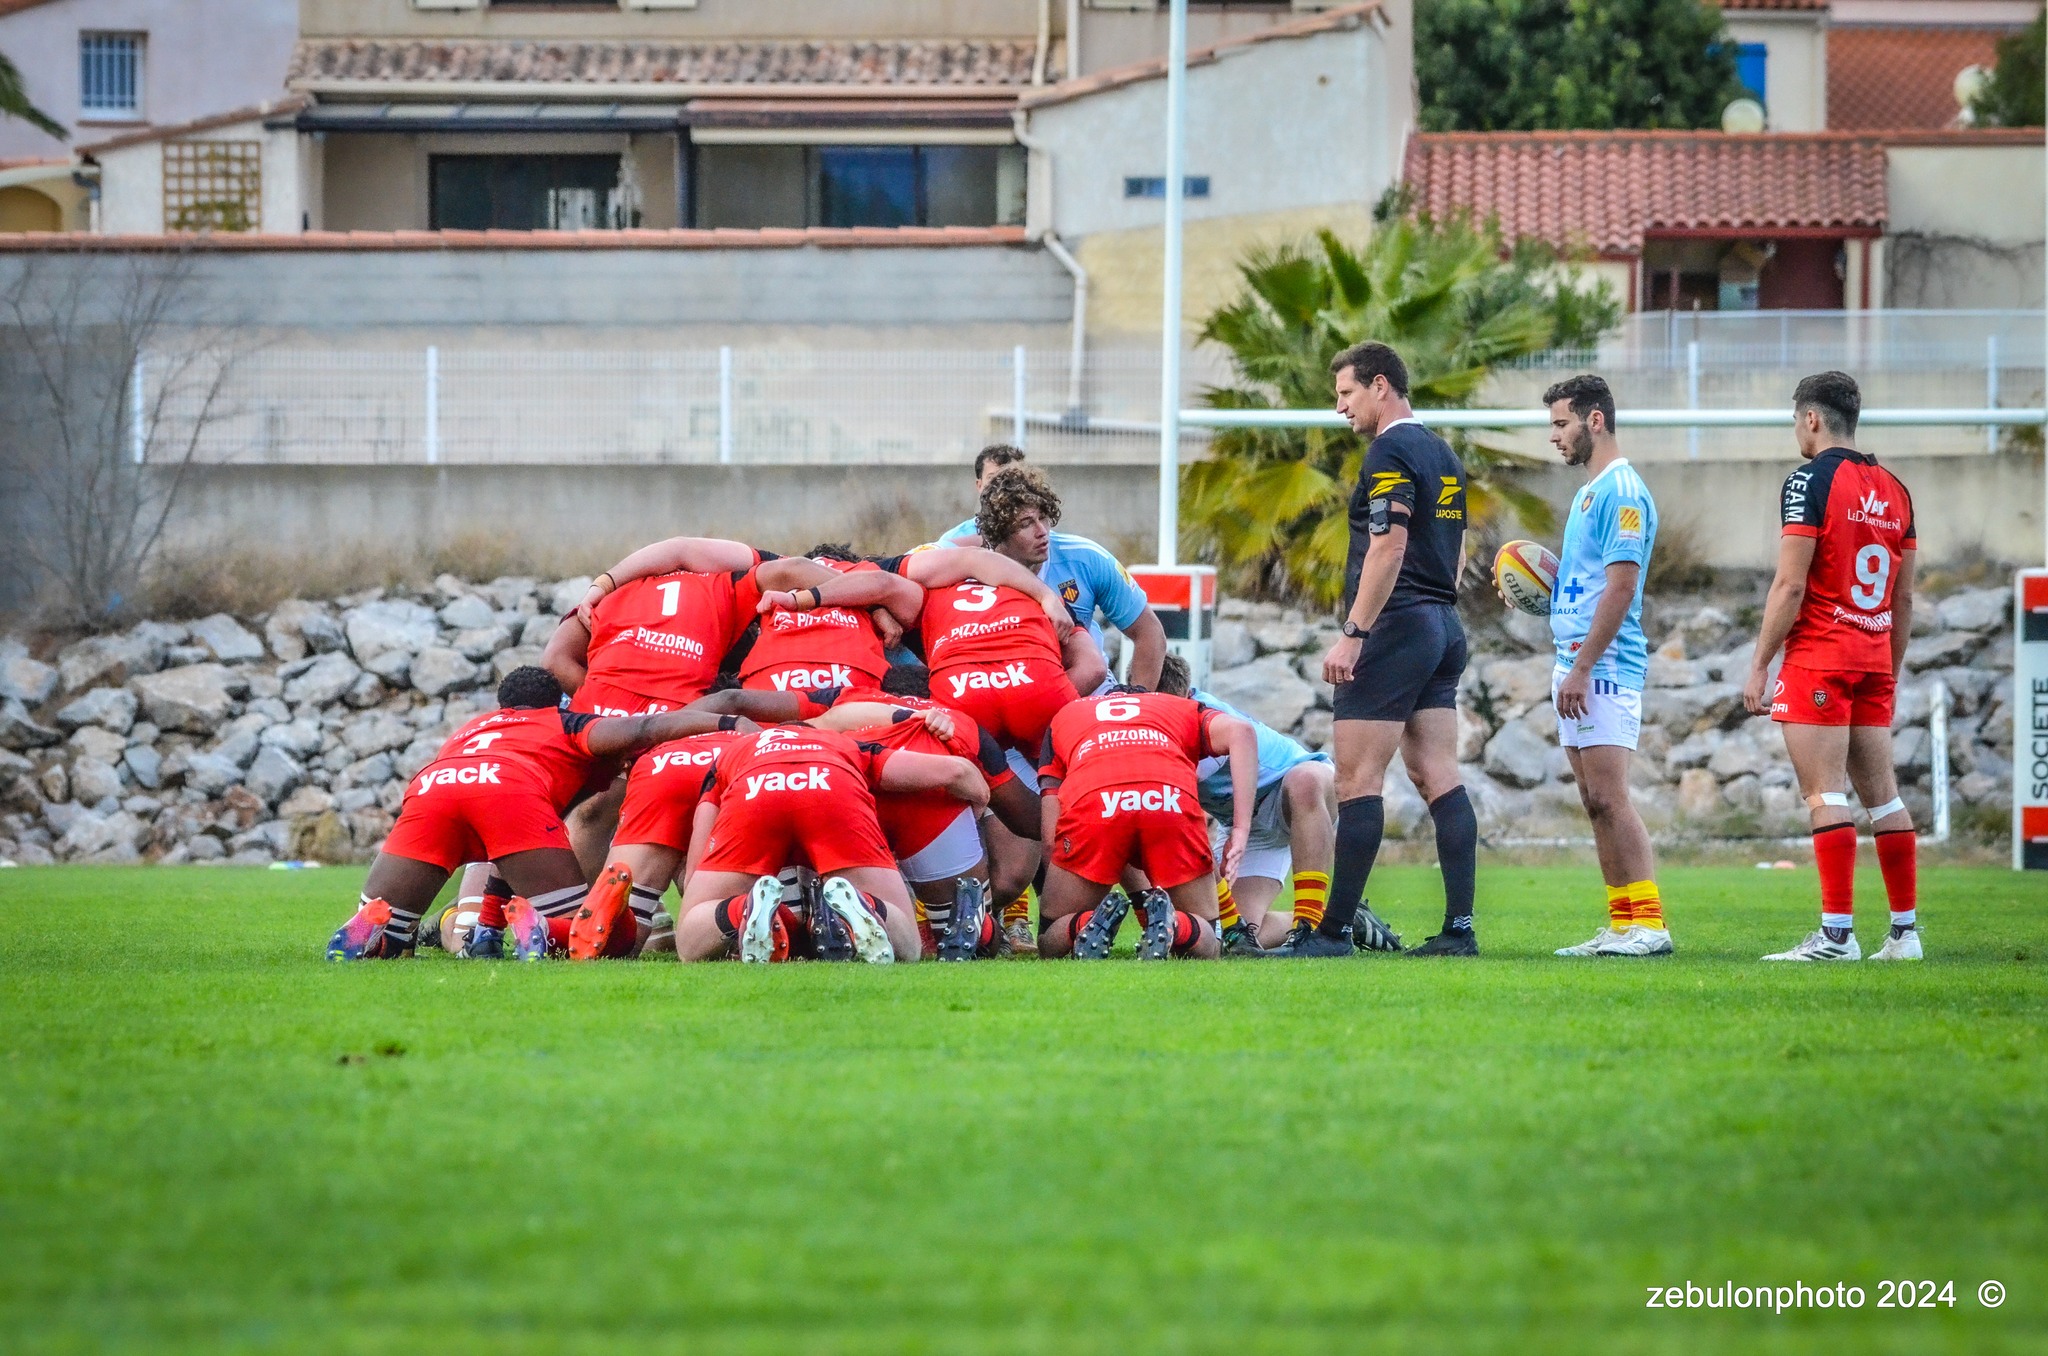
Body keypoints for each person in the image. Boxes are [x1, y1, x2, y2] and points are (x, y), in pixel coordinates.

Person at [326, 666, 747, 962]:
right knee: (592, 938)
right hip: (510, 790)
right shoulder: (566, 722)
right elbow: (642, 729)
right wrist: (726, 722)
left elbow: (492, 844)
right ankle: (547, 932)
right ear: (556, 703)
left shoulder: (472, 727)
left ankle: (379, 929)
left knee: (395, 940)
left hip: (434, 787)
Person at [1294, 340, 1477, 959]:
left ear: (1380, 385)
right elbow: (1447, 549)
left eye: (1346, 393)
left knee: (1355, 777)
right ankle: (1459, 930)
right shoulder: (1442, 452)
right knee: (1436, 773)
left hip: (1396, 627)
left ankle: (1334, 934)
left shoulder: (1391, 449)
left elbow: (1389, 547)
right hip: (1442, 624)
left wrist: (1354, 632)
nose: (1340, 407)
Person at [1743, 371, 1922, 962]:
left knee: (1824, 795)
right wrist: (1888, 670)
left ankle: (1836, 936)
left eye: (1797, 419)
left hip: (1822, 655)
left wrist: (1760, 663)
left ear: (1812, 419)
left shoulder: (1808, 480)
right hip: (1874, 658)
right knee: (1886, 799)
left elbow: (1790, 584)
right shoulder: (1896, 489)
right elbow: (1902, 599)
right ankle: (1904, 934)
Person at [1523, 375, 1671, 958]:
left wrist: (1584, 668)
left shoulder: (1622, 491)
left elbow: (1622, 586)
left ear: (1595, 421)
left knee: (1611, 796)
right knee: (1592, 799)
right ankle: (1620, 922)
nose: (1554, 436)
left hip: (1604, 667)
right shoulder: (1590, 492)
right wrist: (1540, 586)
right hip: (1574, 665)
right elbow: (1587, 581)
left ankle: (1650, 926)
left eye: (1561, 424)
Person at [670, 724, 989, 964]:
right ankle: (865, 904)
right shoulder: (844, 743)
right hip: (831, 783)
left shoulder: (732, 753)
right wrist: (980, 803)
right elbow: (956, 771)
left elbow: (697, 862)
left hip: (754, 787)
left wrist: (702, 898)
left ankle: (743, 909)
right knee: (907, 944)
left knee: (689, 941)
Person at [1035, 687, 1257, 960]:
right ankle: (1176, 925)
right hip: (1167, 801)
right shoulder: (1180, 707)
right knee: (1207, 942)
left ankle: (1084, 923)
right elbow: (1243, 732)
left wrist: (1063, 875)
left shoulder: (1066, 715)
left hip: (1096, 804)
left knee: (1049, 939)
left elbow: (1049, 837)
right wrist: (1240, 829)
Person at [1154, 654, 1341, 955]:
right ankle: (1340, 922)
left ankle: (1310, 926)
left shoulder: (1208, 716)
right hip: (1248, 824)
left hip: (1296, 797)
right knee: (1229, 936)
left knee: (1303, 780)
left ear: (1188, 697)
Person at [949, 464, 1167, 690]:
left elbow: (1150, 633)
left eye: (1043, 517)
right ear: (999, 532)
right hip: (1010, 695)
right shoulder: (968, 570)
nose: (1041, 530)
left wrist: (1138, 704)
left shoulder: (1087, 559)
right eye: (1026, 523)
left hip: (1090, 695)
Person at [937, 443, 1029, 543]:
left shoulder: (1043, 541)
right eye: (993, 478)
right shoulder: (953, 542)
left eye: (1010, 478)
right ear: (979, 485)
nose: (1002, 486)